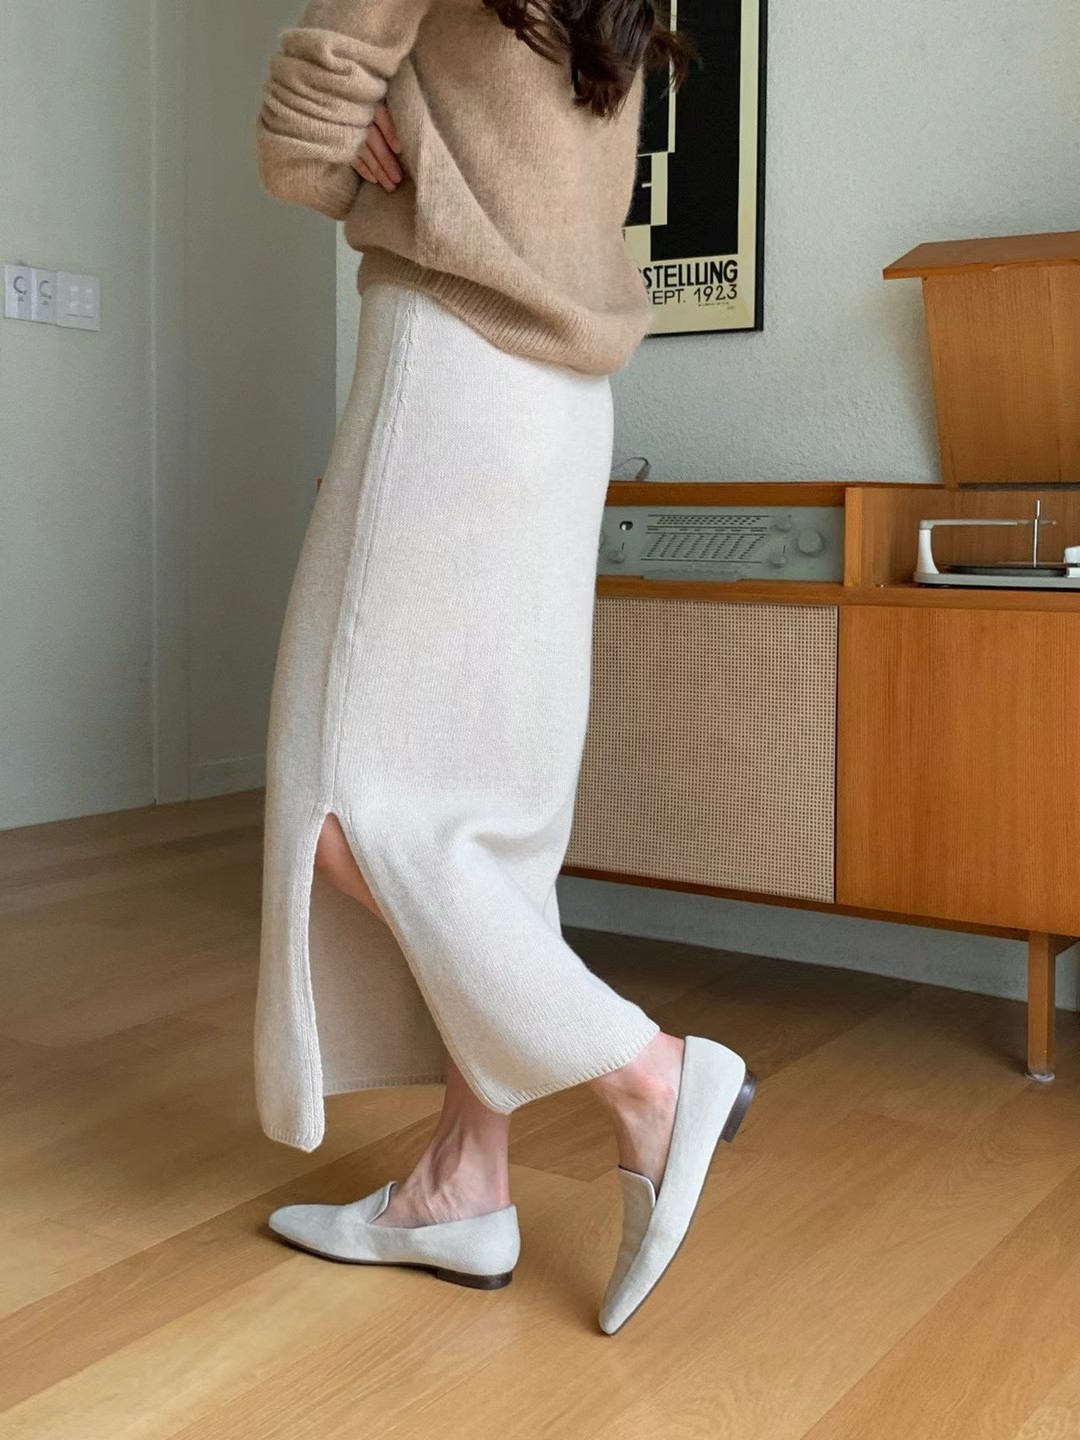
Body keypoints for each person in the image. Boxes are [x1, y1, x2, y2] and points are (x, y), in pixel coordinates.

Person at [253, 0, 755, 1335]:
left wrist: (369, 147)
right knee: (497, 819)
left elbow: (291, 147)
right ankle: (459, 1186)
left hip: (451, 366)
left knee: (345, 800)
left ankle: (646, 1073)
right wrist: (393, 127)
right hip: (567, 410)